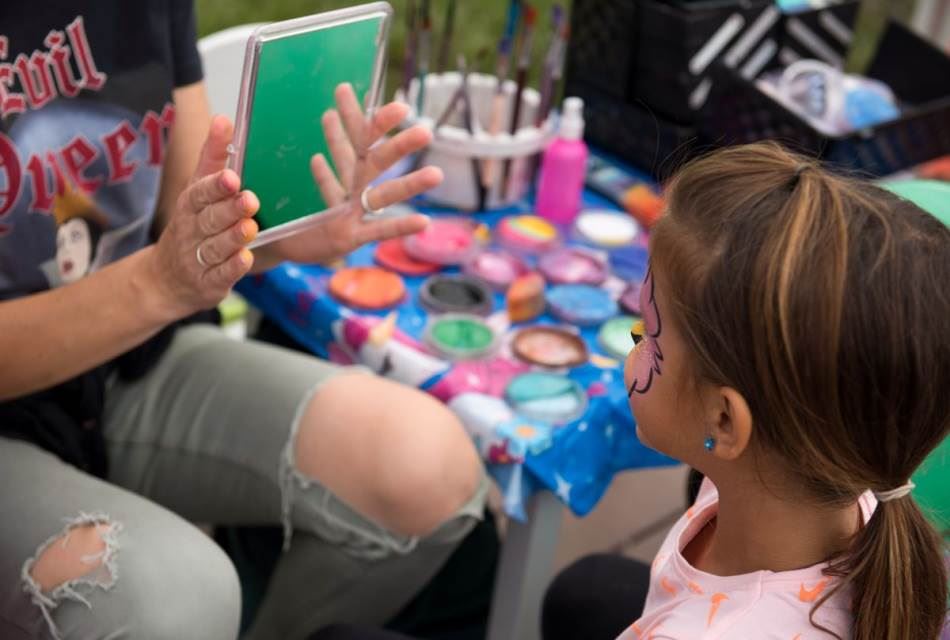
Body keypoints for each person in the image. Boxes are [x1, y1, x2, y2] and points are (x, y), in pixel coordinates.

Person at [0, 3, 487, 639]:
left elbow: (183, 218)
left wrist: (290, 233)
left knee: (430, 467)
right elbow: (163, 275)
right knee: (181, 596)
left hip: (129, 367)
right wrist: (160, 281)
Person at [542, 141, 950, 640]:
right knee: (585, 591)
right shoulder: (824, 482)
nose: (633, 342)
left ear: (726, 422)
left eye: (649, 333)